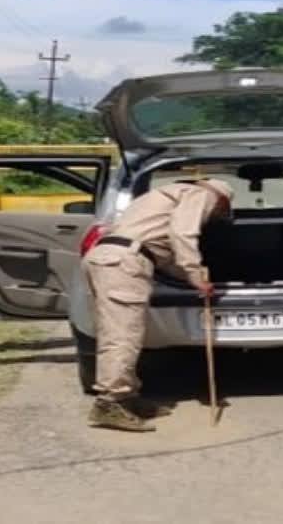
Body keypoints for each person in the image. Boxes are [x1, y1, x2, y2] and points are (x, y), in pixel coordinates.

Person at [82, 178, 235, 432]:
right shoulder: (200, 194)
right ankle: (109, 403)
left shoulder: (159, 195)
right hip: (124, 262)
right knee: (123, 335)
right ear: (221, 199)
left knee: (114, 332)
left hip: (105, 257)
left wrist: (186, 277)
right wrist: (197, 276)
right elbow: (182, 234)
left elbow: (160, 246)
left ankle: (127, 398)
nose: (216, 215)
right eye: (222, 211)